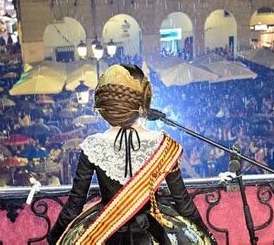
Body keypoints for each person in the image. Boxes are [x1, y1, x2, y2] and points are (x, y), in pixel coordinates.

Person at [48, 64, 216, 244]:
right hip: (156, 231)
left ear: (104, 106)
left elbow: (75, 204)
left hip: (106, 232)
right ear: (144, 101)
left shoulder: (93, 145)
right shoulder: (162, 144)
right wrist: (206, 235)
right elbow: (183, 203)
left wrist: (55, 236)